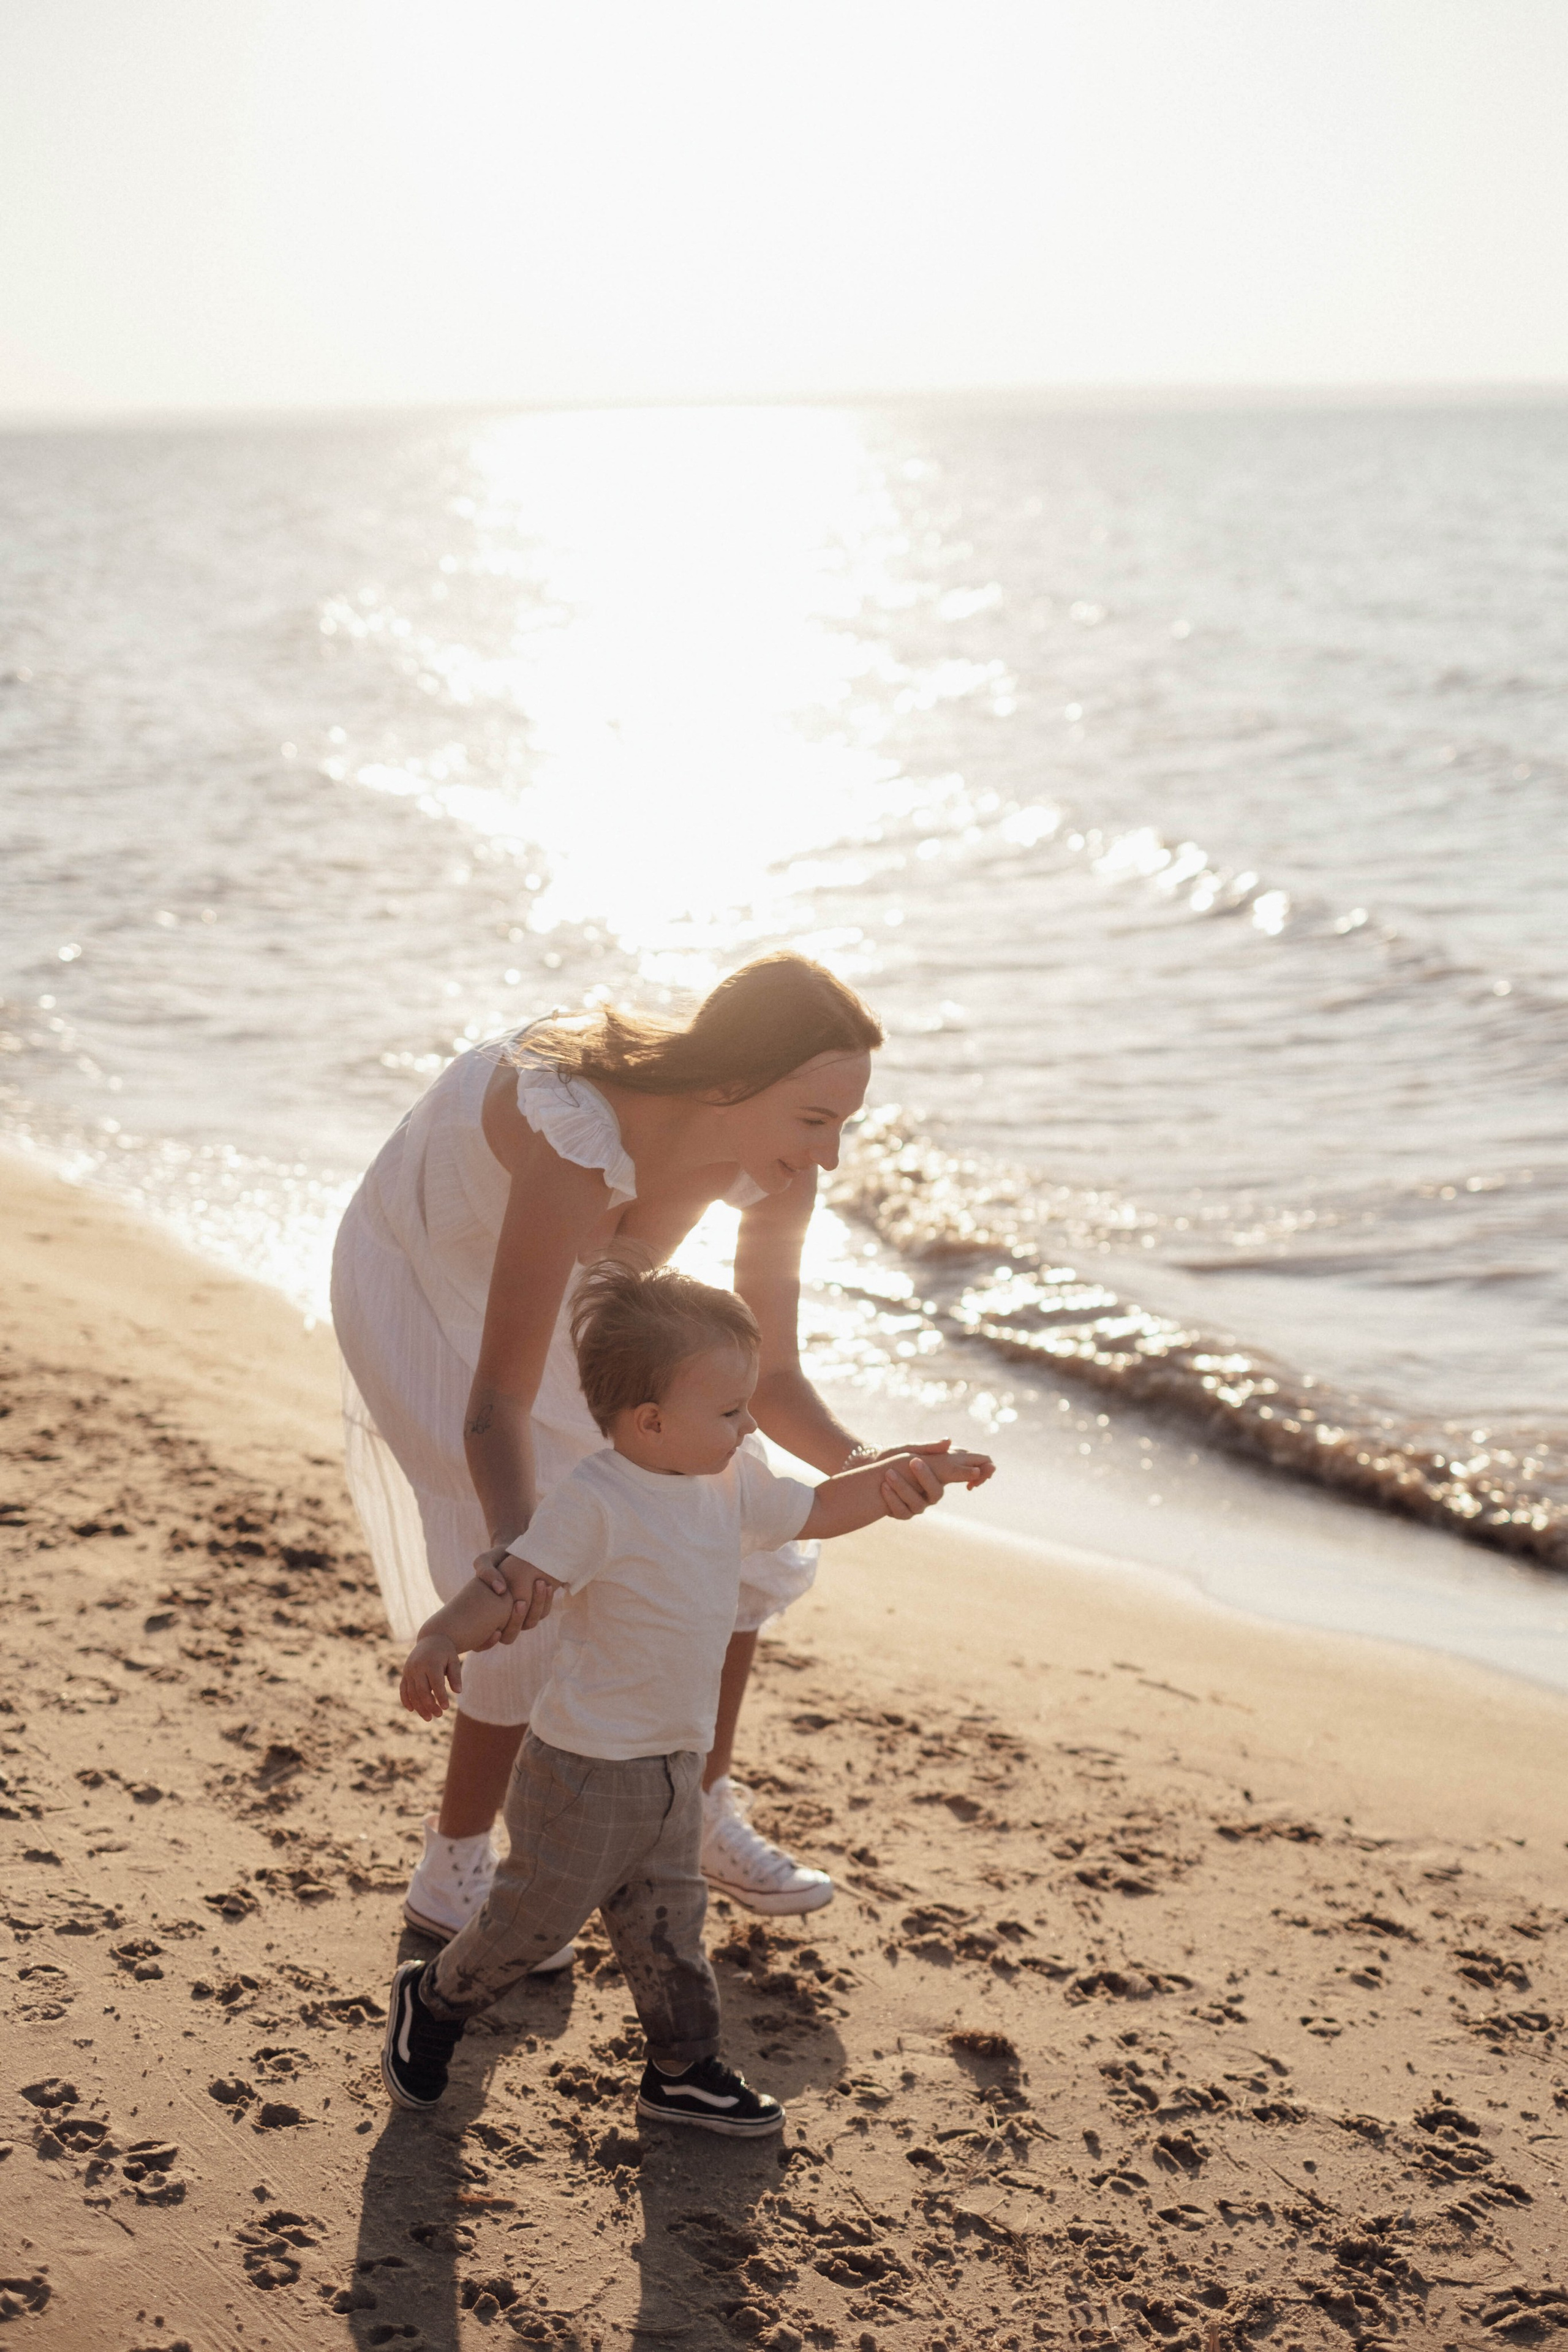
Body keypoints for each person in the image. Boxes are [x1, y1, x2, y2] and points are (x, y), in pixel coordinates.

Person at [332, 952, 964, 1949]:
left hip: (571, 1306)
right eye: (815, 1119)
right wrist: (518, 1547)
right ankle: (454, 1861)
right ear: (727, 1085)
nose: (834, 1154)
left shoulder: (775, 1175)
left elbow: (775, 1380)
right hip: (423, 1268)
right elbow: (495, 1397)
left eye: (847, 1122)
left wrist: (866, 1464)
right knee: (525, 1579)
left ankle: (696, 1806)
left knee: (727, 1511)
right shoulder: (580, 1135)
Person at [381, 1262, 993, 2127]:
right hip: (584, 1773)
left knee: (670, 1926)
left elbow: (817, 1508)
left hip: (674, 1763)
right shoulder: (593, 1502)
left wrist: (898, 1477)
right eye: (732, 1410)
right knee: (529, 1925)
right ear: (652, 1421)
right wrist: (443, 1636)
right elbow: (509, 1585)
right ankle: (432, 2003)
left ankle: (683, 2067)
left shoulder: (728, 1481)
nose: (750, 1427)